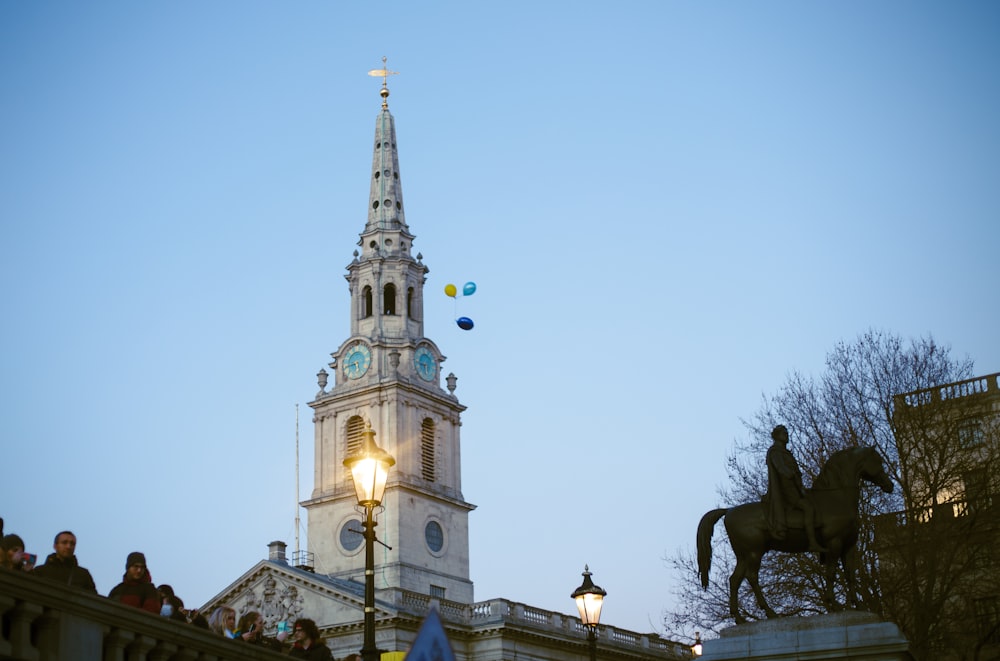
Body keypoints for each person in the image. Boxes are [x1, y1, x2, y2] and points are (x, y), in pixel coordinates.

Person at [766, 425, 827, 552]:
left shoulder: (785, 452)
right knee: (808, 508)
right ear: (777, 436)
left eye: (787, 433)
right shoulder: (775, 452)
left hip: (795, 488)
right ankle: (812, 543)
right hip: (786, 490)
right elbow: (781, 468)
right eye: (784, 433)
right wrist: (791, 474)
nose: (786, 435)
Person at [32, 531, 97, 591]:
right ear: (55, 546)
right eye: (64, 542)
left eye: (72, 544)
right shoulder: (40, 571)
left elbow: (94, 600)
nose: (68, 546)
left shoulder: (83, 574)